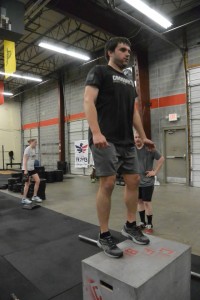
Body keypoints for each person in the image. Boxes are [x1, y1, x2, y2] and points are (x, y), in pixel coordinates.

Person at [84, 37, 155, 258]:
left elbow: (133, 111)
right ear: (110, 52)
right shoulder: (99, 72)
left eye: (129, 51)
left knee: (134, 180)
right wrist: (96, 133)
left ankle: (130, 225)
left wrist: (143, 136)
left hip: (126, 140)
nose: (127, 54)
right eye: (122, 50)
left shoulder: (128, 81)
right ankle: (104, 235)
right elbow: (88, 101)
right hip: (105, 139)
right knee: (108, 183)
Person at [134, 132, 164, 234]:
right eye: (136, 137)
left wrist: (155, 171)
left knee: (147, 202)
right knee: (139, 202)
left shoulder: (149, 148)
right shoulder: (132, 149)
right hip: (136, 182)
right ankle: (142, 222)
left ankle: (149, 224)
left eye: (139, 137)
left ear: (143, 139)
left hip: (147, 181)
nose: (137, 139)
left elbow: (161, 159)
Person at [21, 139, 42, 205]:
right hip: (26, 169)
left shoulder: (33, 149)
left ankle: (34, 196)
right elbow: (24, 160)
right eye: (35, 142)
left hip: (32, 168)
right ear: (31, 142)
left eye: (36, 142)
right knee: (27, 184)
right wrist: (25, 171)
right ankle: (24, 199)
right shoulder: (28, 149)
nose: (36, 144)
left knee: (38, 180)